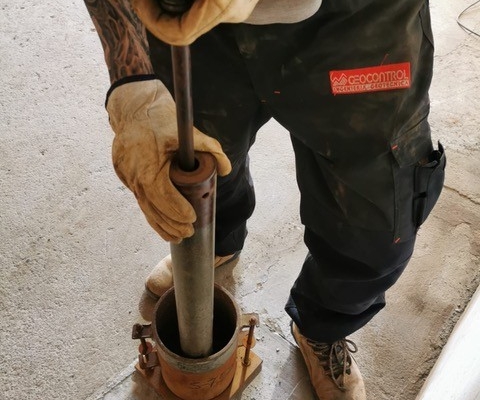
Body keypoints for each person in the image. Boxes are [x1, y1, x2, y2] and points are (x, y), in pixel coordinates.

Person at [84, 1, 446, 399]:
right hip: (192, 23)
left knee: (376, 217)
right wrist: (131, 78)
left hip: (355, 24)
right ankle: (216, 243)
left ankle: (322, 325)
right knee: (200, 163)